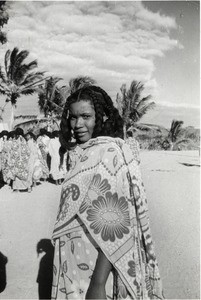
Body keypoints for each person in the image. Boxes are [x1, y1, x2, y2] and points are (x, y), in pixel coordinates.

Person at [51, 86, 163, 299]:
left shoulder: (108, 152)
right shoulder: (85, 152)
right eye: (73, 117)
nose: (78, 124)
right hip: (74, 257)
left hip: (93, 262)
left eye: (86, 116)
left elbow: (116, 225)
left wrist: (98, 282)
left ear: (100, 117)